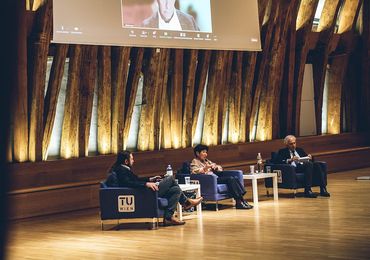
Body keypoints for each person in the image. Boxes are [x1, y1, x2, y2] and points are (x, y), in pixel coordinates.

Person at [106, 151, 203, 226]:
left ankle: (168, 218)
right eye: (131, 159)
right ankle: (186, 202)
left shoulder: (123, 169)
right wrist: (146, 184)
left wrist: (150, 179)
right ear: (126, 161)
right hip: (143, 193)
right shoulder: (121, 170)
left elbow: (136, 179)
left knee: (176, 190)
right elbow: (128, 183)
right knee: (170, 179)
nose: (133, 161)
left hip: (143, 191)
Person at [190, 144, 253, 210]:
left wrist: (216, 167)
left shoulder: (207, 161)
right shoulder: (195, 161)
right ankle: (240, 201)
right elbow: (194, 171)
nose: (206, 154)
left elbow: (220, 168)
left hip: (215, 178)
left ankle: (240, 201)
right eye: (203, 152)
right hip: (209, 181)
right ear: (197, 153)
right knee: (230, 179)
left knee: (234, 178)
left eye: (206, 152)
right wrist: (205, 168)